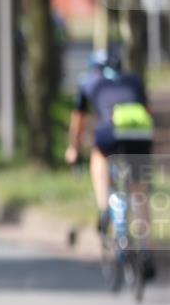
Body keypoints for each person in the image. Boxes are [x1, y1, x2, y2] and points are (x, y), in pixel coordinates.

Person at [65, 49, 156, 280]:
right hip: (140, 132)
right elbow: (147, 112)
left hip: (111, 131)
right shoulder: (133, 80)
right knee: (139, 193)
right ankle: (146, 249)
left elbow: (78, 123)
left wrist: (74, 149)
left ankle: (105, 206)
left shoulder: (89, 82)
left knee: (99, 154)